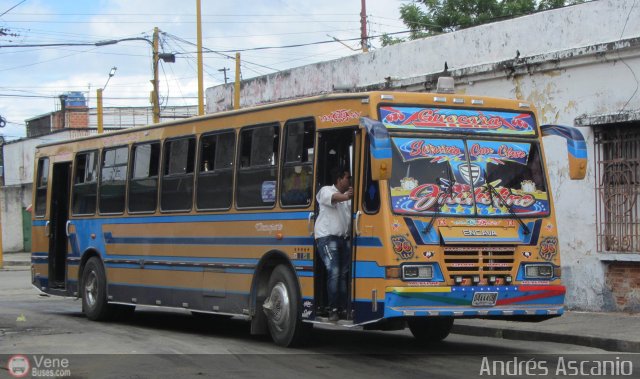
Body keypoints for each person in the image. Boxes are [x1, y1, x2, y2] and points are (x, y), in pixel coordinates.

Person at [314, 167, 353, 321]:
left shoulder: (347, 199)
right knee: (334, 271)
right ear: (339, 179)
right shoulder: (326, 190)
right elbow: (334, 198)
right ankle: (333, 309)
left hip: (343, 239)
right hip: (327, 238)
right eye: (347, 178)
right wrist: (349, 195)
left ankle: (342, 308)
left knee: (343, 275)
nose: (349, 181)